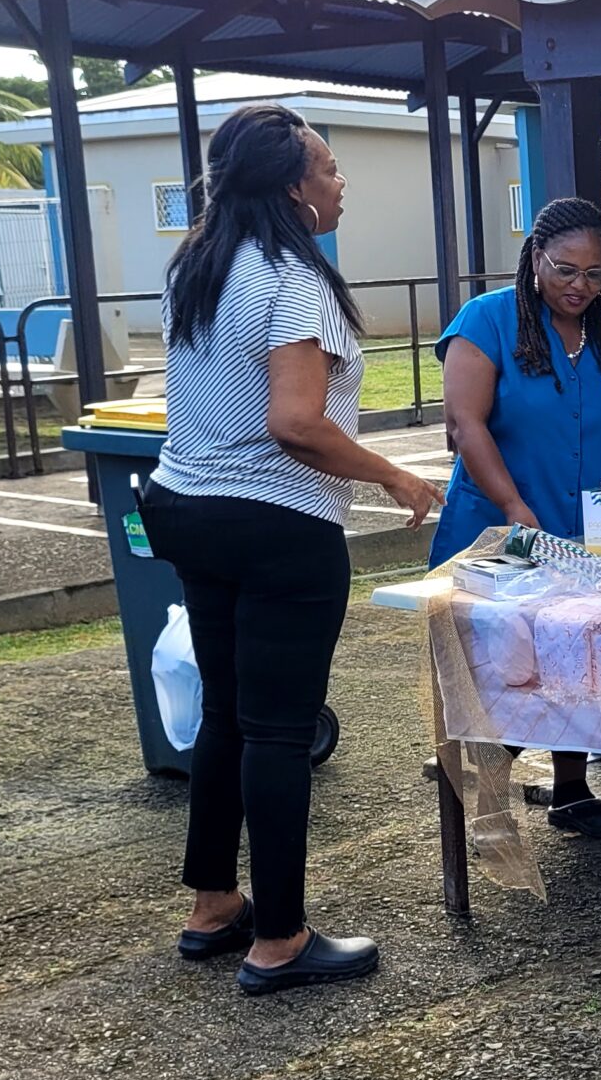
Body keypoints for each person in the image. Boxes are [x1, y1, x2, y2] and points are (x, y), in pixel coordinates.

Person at [142, 104, 443, 995]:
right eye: (329, 167)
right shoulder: (293, 279)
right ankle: (278, 938)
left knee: (228, 713)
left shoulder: (199, 264)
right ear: (291, 186)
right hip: (273, 523)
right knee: (277, 730)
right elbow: (297, 423)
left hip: (186, 507)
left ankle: (213, 905)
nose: (341, 182)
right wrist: (396, 476)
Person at [429, 195, 601, 839]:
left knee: (576, 658)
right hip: (498, 530)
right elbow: (465, 424)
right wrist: (513, 508)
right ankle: (484, 797)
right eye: (565, 270)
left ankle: (572, 792)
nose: (580, 286)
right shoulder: (487, 321)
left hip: (588, 530)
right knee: (502, 667)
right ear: (535, 259)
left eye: (595, 274)